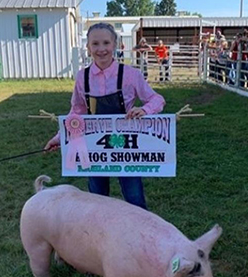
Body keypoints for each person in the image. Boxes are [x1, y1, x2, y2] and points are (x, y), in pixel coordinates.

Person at [45, 23, 165, 210]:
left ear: (115, 44)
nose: (101, 49)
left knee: (135, 199)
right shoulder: (82, 77)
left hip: (126, 146)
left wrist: (145, 110)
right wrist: (60, 137)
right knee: (97, 199)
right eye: (95, 44)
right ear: (88, 47)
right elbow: (77, 111)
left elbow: (156, 99)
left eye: (106, 43)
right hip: (95, 147)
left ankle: (140, 235)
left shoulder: (131, 75)